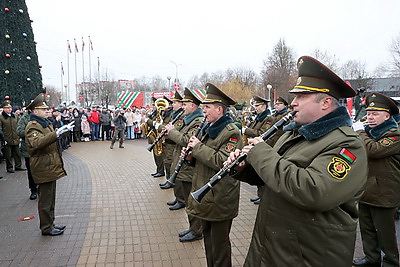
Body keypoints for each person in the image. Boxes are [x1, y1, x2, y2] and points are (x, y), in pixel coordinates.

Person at [228, 56, 368, 266]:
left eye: (301, 96)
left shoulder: (347, 144)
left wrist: (260, 153)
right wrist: (244, 167)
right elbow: (275, 177)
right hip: (271, 248)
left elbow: (314, 190)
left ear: (326, 102)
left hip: (306, 256)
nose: (292, 102)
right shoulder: (293, 134)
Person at [185, 83, 242, 266]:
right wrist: (189, 157)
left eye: (207, 107)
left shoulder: (232, 132)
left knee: (219, 247)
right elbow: (202, 158)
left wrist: (198, 147)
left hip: (220, 198)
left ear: (219, 109)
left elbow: (222, 162)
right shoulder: (208, 128)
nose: (204, 111)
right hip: (207, 197)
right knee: (209, 242)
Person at [352, 92, 400, 267]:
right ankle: (371, 259)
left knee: (386, 234)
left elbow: (373, 150)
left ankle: (391, 262)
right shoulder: (370, 133)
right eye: (369, 114)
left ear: (387, 116)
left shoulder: (395, 135)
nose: (370, 117)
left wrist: (360, 132)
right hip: (367, 190)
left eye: (375, 114)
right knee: (367, 230)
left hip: (384, 193)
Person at [25, 93, 73, 236]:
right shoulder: (32, 126)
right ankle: (46, 227)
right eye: (44, 109)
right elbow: (37, 143)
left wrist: (62, 132)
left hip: (48, 166)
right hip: (42, 166)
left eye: (47, 109)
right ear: (34, 111)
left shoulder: (44, 123)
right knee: (45, 200)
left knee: (50, 198)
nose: (47, 111)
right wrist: (56, 134)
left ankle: (50, 223)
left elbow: (50, 139)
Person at [165, 88, 205, 241]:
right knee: (189, 202)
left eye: (185, 104)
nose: (182, 106)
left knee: (192, 202)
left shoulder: (197, 121)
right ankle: (192, 228)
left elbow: (186, 140)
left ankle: (196, 231)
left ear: (193, 106)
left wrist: (173, 131)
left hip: (189, 168)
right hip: (183, 165)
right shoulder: (188, 118)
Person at [243, 95, 273, 205]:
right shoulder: (259, 117)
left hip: (262, 147)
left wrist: (246, 130)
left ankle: (263, 196)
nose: (255, 108)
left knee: (261, 174)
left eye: (257, 106)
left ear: (264, 106)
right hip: (254, 148)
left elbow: (262, 134)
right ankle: (259, 195)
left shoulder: (268, 118)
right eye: (255, 106)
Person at [0, 96, 25, 173]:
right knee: (8, 154)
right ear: (3, 109)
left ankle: (18, 166)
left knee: (17, 153)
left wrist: (18, 135)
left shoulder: (15, 116)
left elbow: (18, 126)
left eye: (10, 108)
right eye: (7, 108)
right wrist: (3, 138)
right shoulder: (1, 118)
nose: (9, 109)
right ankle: (9, 167)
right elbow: (0, 129)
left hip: (15, 137)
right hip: (7, 138)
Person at [17, 108, 37, 200]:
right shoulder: (24, 118)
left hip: (39, 148)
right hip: (28, 149)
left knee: (40, 170)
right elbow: (19, 131)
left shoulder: (39, 117)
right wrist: (30, 132)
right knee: (31, 172)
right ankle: (33, 190)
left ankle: (40, 188)